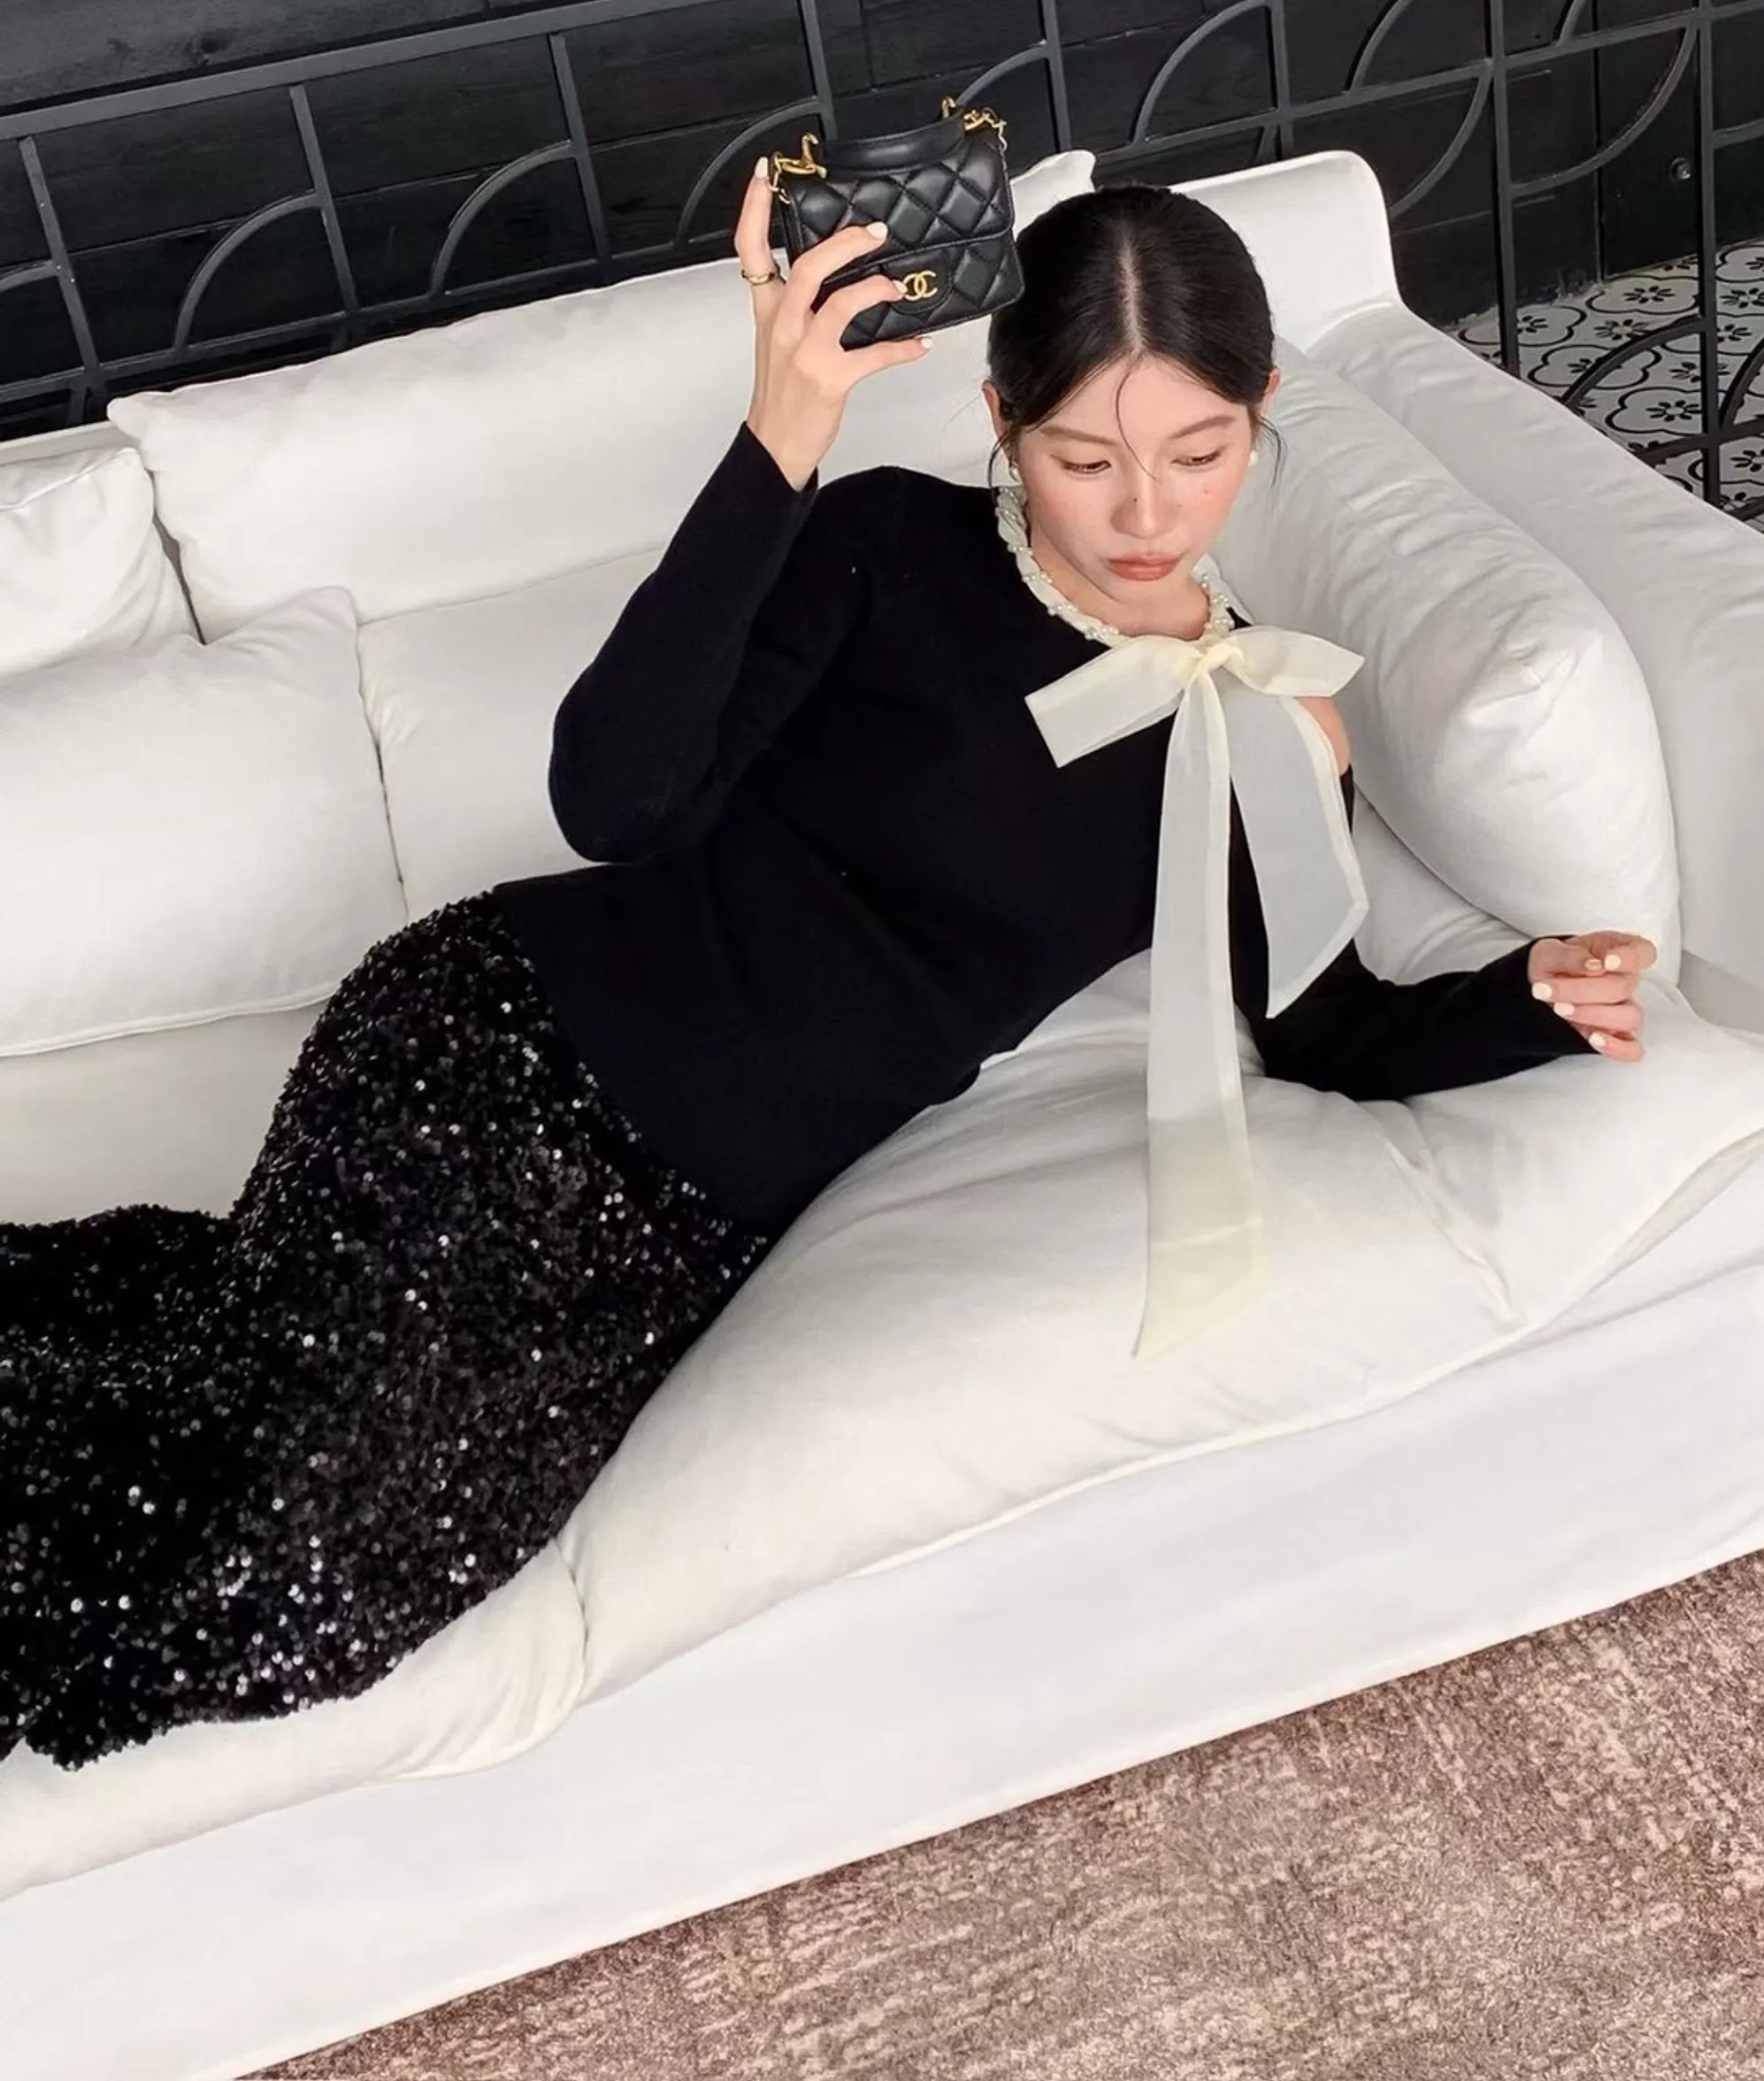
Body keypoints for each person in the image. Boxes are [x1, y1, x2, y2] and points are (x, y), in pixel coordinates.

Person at [0, 165, 1653, 1773]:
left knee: (318, 1575)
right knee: (255, 1520)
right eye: (1084, 457)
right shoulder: (887, 546)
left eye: (1199, 451)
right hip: (494, 1050)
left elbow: (1323, 1027)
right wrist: (780, 437)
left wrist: (1530, 997)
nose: (1147, 514)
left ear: (1262, 410)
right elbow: (615, 800)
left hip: (671, 1234)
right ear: (1002, 418)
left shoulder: (1263, 725)